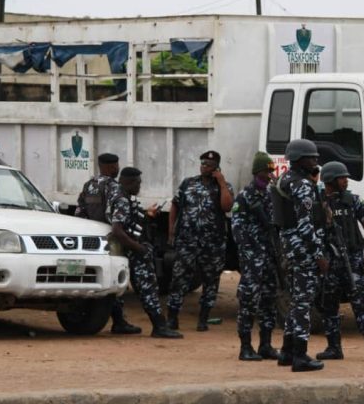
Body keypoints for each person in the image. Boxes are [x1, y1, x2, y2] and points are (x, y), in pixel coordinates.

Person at [270, 139, 328, 372]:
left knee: (296, 301)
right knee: (303, 303)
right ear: (299, 159)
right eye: (311, 157)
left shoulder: (284, 179)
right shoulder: (302, 184)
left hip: (288, 245)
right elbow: (305, 225)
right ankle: (300, 356)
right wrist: (319, 255)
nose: (315, 161)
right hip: (303, 249)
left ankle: (286, 352)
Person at [315, 161, 364, 362]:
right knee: (329, 307)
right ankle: (334, 348)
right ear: (330, 180)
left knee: (360, 305)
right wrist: (320, 258)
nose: (346, 180)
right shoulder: (319, 203)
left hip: (351, 260)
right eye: (341, 177)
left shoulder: (354, 201)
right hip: (330, 263)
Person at [109, 167, 183, 339]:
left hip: (125, 251)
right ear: (129, 182)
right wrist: (138, 247)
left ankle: (119, 323)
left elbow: (127, 222)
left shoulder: (120, 196)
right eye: (138, 183)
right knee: (148, 288)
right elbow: (118, 230)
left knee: (118, 291)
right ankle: (159, 326)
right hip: (134, 252)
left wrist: (146, 215)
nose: (139, 186)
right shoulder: (122, 200)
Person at [74, 153, 141, 335]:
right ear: (112, 167)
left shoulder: (90, 185)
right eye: (116, 165)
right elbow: (116, 216)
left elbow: (80, 211)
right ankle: (118, 321)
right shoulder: (113, 187)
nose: (118, 168)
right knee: (114, 279)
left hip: (90, 238)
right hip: (110, 238)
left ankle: (116, 320)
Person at [166, 150, 233, 332]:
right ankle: (172, 318)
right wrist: (172, 229)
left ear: (216, 168)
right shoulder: (188, 183)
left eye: (209, 165)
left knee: (211, 281)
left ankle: (203, 319)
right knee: (179, 278)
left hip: (212, 243)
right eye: (203, 164)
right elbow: (175, 205)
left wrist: (221, 182)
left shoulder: (224, 186)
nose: (205, 167)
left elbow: (227, 206)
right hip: (188, 241)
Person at [231, 152, 280, 361]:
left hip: (269, 256)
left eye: (271, 171)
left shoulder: (271, 194)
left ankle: (266, 345)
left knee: (270, 300)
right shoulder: (245, 196)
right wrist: (250, 253)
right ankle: (245, 347)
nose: (269, 175)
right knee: (249, 301)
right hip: (253, 257)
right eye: (265, 171)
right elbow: (237, 229)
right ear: (256, 172)